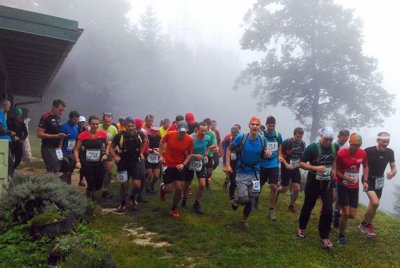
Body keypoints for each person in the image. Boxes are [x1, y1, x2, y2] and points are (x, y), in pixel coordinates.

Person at [297, 127, 339, 250]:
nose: (328, 142)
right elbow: (301, 163)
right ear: (321, 136)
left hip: (327, 183)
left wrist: (335, 170)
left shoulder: (334, 147)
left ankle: (324, 235)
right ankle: (302, 227)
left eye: (330, 139)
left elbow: (335, 158)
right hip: (313, 182)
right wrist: (315, 168)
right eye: (326, 139)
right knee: (308, 206)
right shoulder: (312, 148)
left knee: (328, 209)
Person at [225, 116, 267, 228]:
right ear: (249, 126)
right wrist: (228, 165)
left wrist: (266, 154)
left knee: (252, 198)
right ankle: (236, 200)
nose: (255, 126)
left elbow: (263, 154)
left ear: (259, 127)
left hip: (255, 172)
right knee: (244, 198)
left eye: (257, 124)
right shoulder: (242, 137)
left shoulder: (263, 140)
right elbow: (229, 149)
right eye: (253, 124)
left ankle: (244, 220)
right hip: (242, 171)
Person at [359, 132, 397, 237]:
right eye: (383, 141)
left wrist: (392, 173)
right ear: (378, 141)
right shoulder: (368, 151)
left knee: (373, 205)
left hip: (379, 181)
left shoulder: (390, 152)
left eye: (387, 141)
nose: (385, 143)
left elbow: (394, 167)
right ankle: (365, 224)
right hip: (368, 179)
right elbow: (359, 161)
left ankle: (366, 224)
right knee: (375, 202)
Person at [335, 133, 368, 245]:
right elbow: (336, 171)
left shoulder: (362, 153)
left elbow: (366, 166)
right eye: (354, 144)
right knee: (346, 213)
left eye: (358, 145)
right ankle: (341, 236)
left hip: (354, 187)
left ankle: (336, 214)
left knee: (352, 215)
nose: (356, 147)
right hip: (342, 185)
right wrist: (346, 178)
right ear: (349, 143)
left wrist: (365, 180)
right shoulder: (341, 153)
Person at [159, 120, 194, 218]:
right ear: (177, 129)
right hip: (168, 165)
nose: (182, 133)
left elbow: (190, 153)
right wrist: (161, 155)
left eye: (184, 132)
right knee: (169, 190)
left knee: (179, 189)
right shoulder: (170, 135)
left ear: (187, 130)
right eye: (181, 131)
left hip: (179, 167)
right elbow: (162, 141)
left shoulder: (189, 140)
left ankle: (174, 209)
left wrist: (183, 164)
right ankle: (163, 189)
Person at [109, 117, 145, 212]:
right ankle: (123, 203)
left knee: (137, 185)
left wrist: (141, 152)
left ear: (135, 126)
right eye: (128, 126)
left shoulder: (139, 134)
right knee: (124, 185)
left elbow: (145, 142)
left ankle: (133, 198)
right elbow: (111, 147)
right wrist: (115, 156)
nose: (131, 128)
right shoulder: (119, 135)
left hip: (135, 162)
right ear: (124, 126)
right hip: (123, 163)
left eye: (132, 126)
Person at [74, 115, 109, 200]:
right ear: (89, 124)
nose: (95, 126)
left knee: (99, 183)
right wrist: (77, 161)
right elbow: (76, 149)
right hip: (87, 162)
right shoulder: (83, 135)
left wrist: (106, 154)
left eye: (97, 124)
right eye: (93, 124)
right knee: (91, 182)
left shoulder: (103, 134)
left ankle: (90, 193)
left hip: (99, 162)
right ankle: (90, 199)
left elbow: (108, 145)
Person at [256, 115, 283, 221]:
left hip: (273, 164)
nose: (271, 128)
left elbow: (280, 145)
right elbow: (257, 146)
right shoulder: (261, 134)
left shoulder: (277, 135)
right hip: (262, 164)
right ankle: (256, 199)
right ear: (266, 125)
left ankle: (271, 211)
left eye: (273, 126)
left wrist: (279, 155)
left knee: (274, 187)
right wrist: (263, 152)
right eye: (269, 126)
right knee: (258, 186)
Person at [184, 122, 212, 214]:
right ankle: (184, 198)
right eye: (201, 131)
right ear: (197, 129)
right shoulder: (190, 138)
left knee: (202, 184)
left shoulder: (208, 138)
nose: (203, 133)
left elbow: (208, 147)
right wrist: (195, 156)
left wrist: (206, 155)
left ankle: (196, 204)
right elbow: (185, 152)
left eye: (205, 131)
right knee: (187, 184)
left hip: (201, 163)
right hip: (189, 162)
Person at [277, 127, 306, 213]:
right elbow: (280, 155)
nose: (299, 139)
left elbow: (303, 157)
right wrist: (286, 164)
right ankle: (276, 191)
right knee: (284, 189)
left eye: (301, 137)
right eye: (297, 136)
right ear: (294, 135)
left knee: (297, 188)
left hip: (295, 168)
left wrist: (297, 164)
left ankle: (291, 205)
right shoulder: (287, 142)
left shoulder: (303, 144)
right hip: (285, 167)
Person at [37, 99, 67, 173]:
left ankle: (54, 183)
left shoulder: (58, 118)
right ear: (54, 107)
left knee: (61, 167)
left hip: (57, 148)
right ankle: (50, 183)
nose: (61, 112)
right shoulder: (46, 117)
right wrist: (56, 136)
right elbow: (39, 134)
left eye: (63, 110)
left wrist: (61, 141)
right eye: (60, 110)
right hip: (48, 148)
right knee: (54, 170)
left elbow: (57, 133)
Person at [332, 129, 350, 228]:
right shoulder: (333, 144)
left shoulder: (347, 146)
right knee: (333, 195)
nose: (345, 140)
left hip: (342, 173)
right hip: (333, 171)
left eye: (347, 138)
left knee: (340, 196)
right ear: (339, 136)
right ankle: (328, 212)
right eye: (344, 138)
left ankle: (336, 213)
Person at [99, 112, 119, 199]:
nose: (107, 124)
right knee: (99, 171)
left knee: (109, 171)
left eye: (109, 122)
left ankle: (105, 189)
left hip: (109, 152)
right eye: (106, 121)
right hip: (98, 152)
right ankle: (97, 187)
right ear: (102, 120)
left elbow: (117, 140)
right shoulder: (98, 127)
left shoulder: (113, 128)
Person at [221, 126, 240, 209]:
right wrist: (225, 160)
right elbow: (225, 149)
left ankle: (234, 194)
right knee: (233, 180)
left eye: (237, 134)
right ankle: (232, 196)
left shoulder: (241, 139)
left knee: (236, 180)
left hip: (238, 162)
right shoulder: (229, 140)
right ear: (231, 134)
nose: (235, 136)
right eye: (234, 134)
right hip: (231, 162)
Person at [60, 111, 80, 184]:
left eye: (77, 120)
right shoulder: (64, 127)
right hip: (64, 151)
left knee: (71, 170)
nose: (76, 121)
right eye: (75, 120)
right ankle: (63, 184)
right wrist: (60, 151)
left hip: (72, 151)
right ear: (70, 118)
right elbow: (61, 140)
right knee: (66, 170)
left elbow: (76, 139)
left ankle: (65, 180)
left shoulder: (76, 126)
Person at [7, 107, 28, 173]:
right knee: (10, 158)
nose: (18, 117)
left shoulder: (21, 122)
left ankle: (13, 168)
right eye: (17, 115)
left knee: (19, 158)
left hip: (19, 142)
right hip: (11, 142)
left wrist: (22, 139)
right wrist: (12, 137)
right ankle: (10, 171)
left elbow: (26, 133)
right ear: (14, 115)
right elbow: (7, 131)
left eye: (19, 116)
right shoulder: (9, 121)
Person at [0, 99, 17, 176]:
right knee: (9, 163)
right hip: (2, 142)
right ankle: (5, 182)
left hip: (6, 141)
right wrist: (10, 132)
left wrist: (11, 136)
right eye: (9, 106)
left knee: (8, 162)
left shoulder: (3, 114)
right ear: (5, 105)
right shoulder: (0, 114)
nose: (9, 108)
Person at [145, 125, 162, 194]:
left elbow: (162, 148)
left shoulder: (159, 138)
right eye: (153, 131)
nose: (154, 133)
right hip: (148, 158)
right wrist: (151, 150)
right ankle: (148, 189)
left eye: (156, 131)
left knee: (156, 176)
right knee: (149, 175)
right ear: (150, 131)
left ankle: (151, 184)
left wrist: (158, 149)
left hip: (156, 158)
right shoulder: (146, 138)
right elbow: (144, 148)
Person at [203, 118, 218, 188]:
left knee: (209, 172)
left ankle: (206, 179)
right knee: (201, 170)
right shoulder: (200, 131)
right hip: (200, 154)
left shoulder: (212, 133)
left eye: (206, 125)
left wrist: (209, 147)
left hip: (209, 154)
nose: (205, 127)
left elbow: (215, 144)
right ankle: (202, 183)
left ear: (209, 125)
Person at [77, 116, 87, 187]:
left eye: (83, 122)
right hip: (74, 149)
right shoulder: (75, 128)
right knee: (72, 164)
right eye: (81, 122)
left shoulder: (84, 129)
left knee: (83, 165)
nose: (82, 123)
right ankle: (68, 178)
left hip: (82, 150)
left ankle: (81, 180)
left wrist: (83, 145)